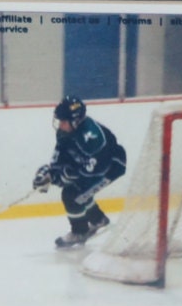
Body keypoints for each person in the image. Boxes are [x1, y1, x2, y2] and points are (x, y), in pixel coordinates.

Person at [33, 96, 127, 248]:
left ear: (76, 121)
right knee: (80, 192)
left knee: (72, 195)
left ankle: (80, 231)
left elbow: (96, 169)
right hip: (89, 165)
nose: (60, 125)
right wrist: (50, 173)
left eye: (63, 121)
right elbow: (60, 155)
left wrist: (65, 177)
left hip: (110, 167)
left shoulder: (91, 136)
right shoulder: (64, 132)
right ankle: (98, 219)